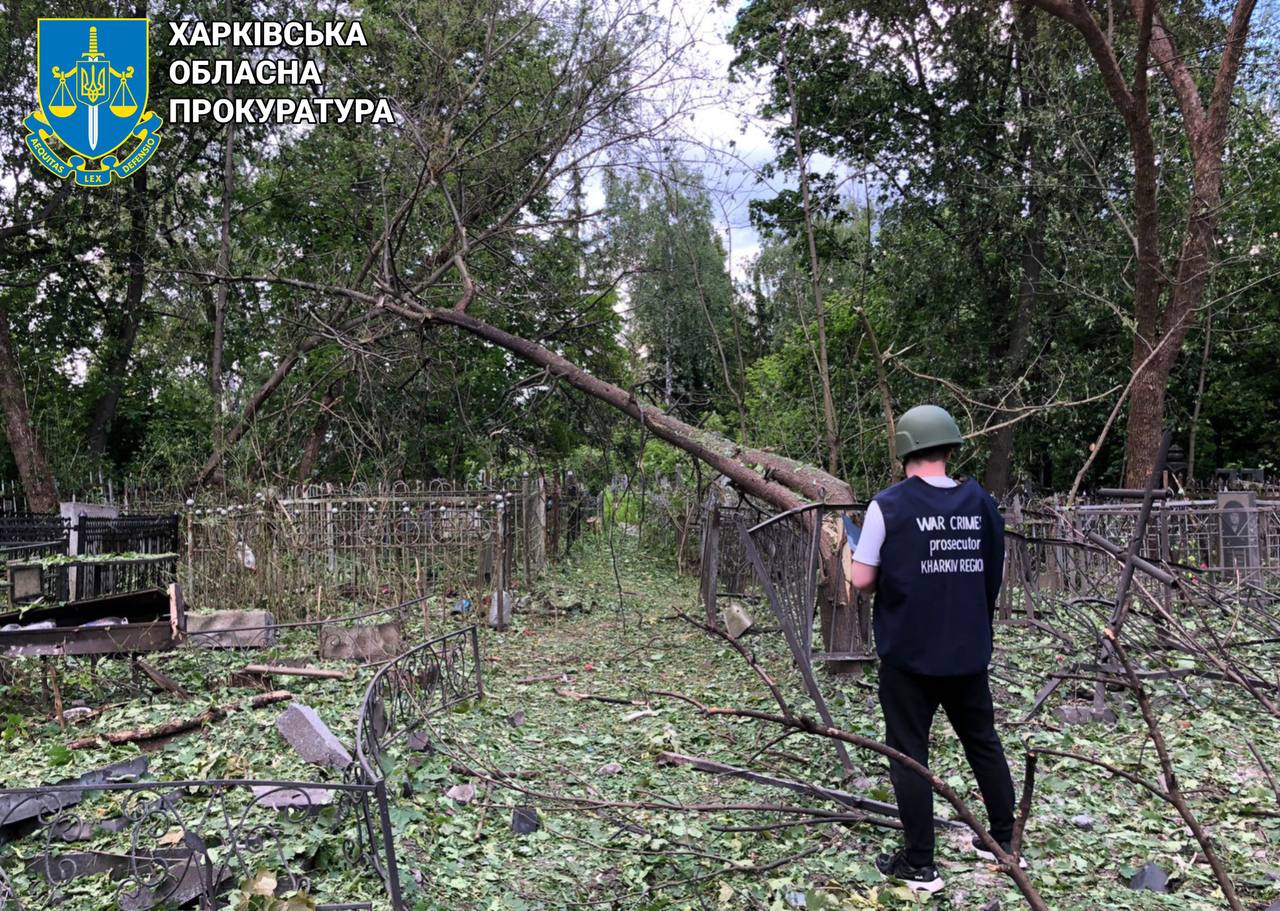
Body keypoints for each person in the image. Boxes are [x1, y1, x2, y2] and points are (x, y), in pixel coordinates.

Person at [850, 404, 1019, 894]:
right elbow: (992, 573)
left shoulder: (889, 505)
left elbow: (862, 580)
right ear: (950, 447)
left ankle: (920, 865)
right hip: (967, 651)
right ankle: (1004, 841)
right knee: (982, 742)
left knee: (909, 754)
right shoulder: (983, 502)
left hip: (909, 656)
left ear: (904, 447)